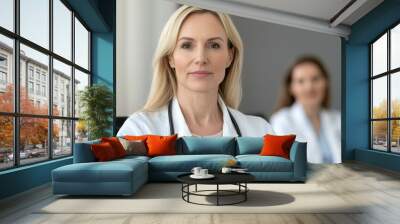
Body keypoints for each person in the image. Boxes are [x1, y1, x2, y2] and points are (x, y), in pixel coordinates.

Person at [117, 5, 274, 138]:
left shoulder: (260, 132)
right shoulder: (139, 131)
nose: (200, 58)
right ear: (170, 57)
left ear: (230, 56)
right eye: (187, 45)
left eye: (214, 45)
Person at [270, 56, 341, 164]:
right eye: (301, 81)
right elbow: (284, 166)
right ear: (291, 88)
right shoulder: (281, 121)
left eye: (315, 79)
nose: (309, 87)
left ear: (326, 82)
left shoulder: (338, 119)